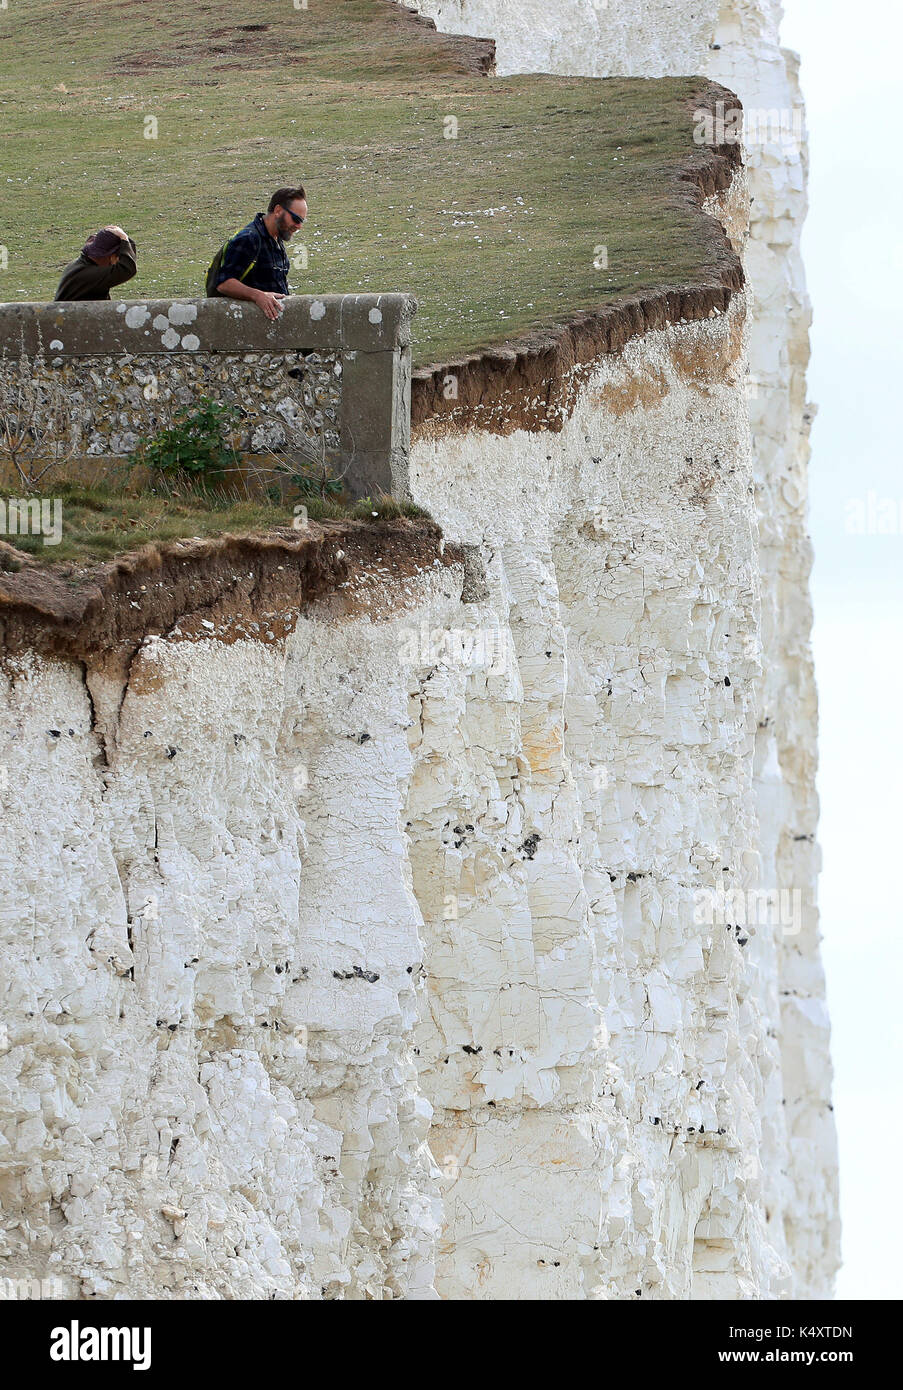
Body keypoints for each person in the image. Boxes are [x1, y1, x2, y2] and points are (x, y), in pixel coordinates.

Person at [212, 186, 307, 321]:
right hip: (249, 328)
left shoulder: (276, 238)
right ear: (278, 211)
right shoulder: (249, 238)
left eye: (302, 221)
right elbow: (224, 283)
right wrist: (258, 296)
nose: (299, 226)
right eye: (296, 219)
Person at [54, 225, 138, 301]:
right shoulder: (90, 274)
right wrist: (124, 238)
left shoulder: (81, 266)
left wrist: (123, 238)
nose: (118, 261)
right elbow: (127, 269)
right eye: (118, 257)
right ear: (111, 257)